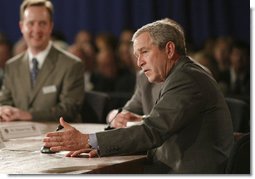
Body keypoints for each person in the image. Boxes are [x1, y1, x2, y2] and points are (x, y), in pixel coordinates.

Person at [43, 18, 234, 174]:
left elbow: (153, 130)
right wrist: (101, 146)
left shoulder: (187, 79)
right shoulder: (179, 74)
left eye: (144, 52)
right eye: (136, 55)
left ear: (169, 49)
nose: (139, 62)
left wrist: (87, 140)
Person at [0, 0, 84, 122]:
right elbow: (4, 102)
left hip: (57, 137)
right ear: (21, 26)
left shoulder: (72, 65)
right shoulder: (12, 66)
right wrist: (4, 110)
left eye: (42, 23)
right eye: (31, 23)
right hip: (18, 137)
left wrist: (28, 115)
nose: (36, 29)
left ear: (50, 26)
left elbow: (69, 110)